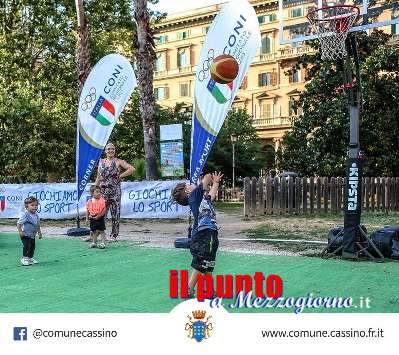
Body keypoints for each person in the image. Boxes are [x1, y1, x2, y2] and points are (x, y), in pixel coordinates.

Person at [172, 171, 223, 298]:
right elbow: (206, 178)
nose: (192, 185)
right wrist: (206, 175)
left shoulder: (202, 200)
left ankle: (209, 290)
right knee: (201, 262)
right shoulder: (194, 196)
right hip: (203, 235)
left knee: (208, 262)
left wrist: (216, 182)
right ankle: (188, 289)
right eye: (189, 185)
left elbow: (211, 195)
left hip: (208, 233)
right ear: (187, 192)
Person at [93, 142, 135, 241]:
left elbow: (132, 169)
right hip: (103, 192)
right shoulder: (101, 162)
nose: (111, 151)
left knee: (115, 214)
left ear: (115, 151)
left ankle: (114, 235)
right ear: (105, 151)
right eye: (108, 149)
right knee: (100, 214)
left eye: (112, 149)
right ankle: (98, 234)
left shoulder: (118, 161)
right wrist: (94, 189)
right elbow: (98, 177)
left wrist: (120, 176)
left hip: (115, 192)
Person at [16, 196, 42, 266]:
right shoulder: (25, 215)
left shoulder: (36, 215)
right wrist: (20, 232)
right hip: (25, 234)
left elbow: (37, 225)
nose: (35, 207)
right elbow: (19, 224)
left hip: (32, 235)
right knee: (27, 246)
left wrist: (39, 233)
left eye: (36, 205)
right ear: (27, 207)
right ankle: (24, 258)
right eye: (32, 205)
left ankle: (30, 258)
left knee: (32, 246)